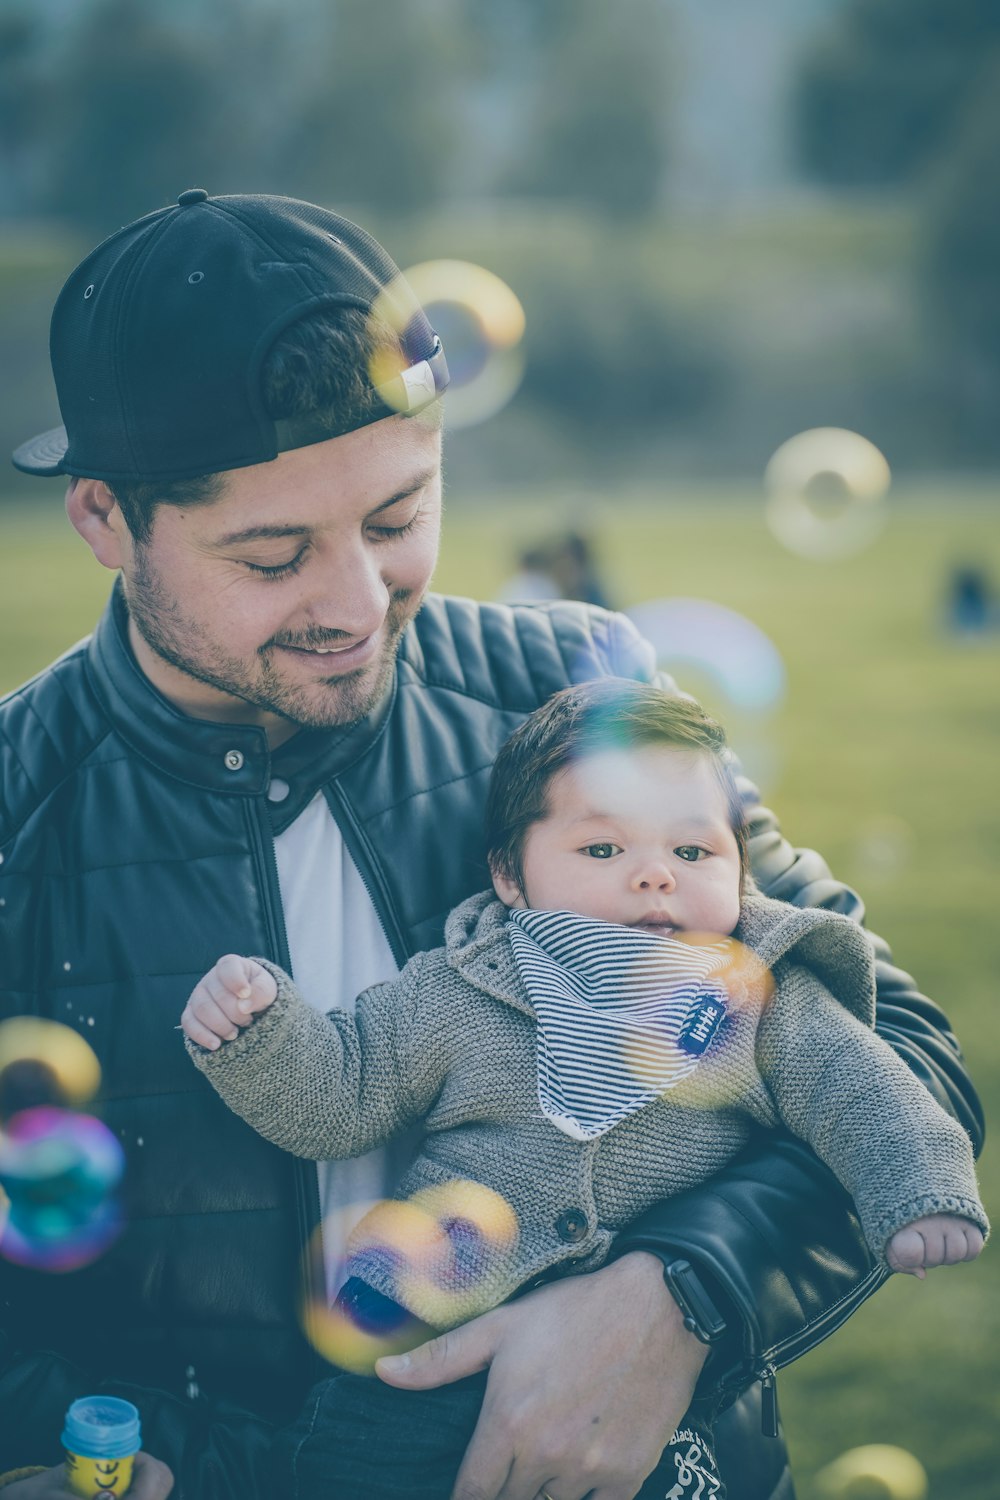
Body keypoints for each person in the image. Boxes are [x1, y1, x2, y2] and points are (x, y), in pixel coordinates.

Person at [0, 189, 984, 1500]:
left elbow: (893, 1056)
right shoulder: (20, 809)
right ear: (107, 519)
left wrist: (676, 1297)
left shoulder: (571, 690)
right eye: (273, 554)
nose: (357, 606)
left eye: (398, 520)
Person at [181, 679, 987, 1500]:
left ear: (742, 868)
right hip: (424, 1356)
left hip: (656, 1392)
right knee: (341, 1475)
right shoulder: (459, 989)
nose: (654, 878)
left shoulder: (760, 996)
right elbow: (340, 1096)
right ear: (508, 876)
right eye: (602, 851)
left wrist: (918, 1187)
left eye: (693, 852)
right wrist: (261, 1029)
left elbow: (864, 1088)